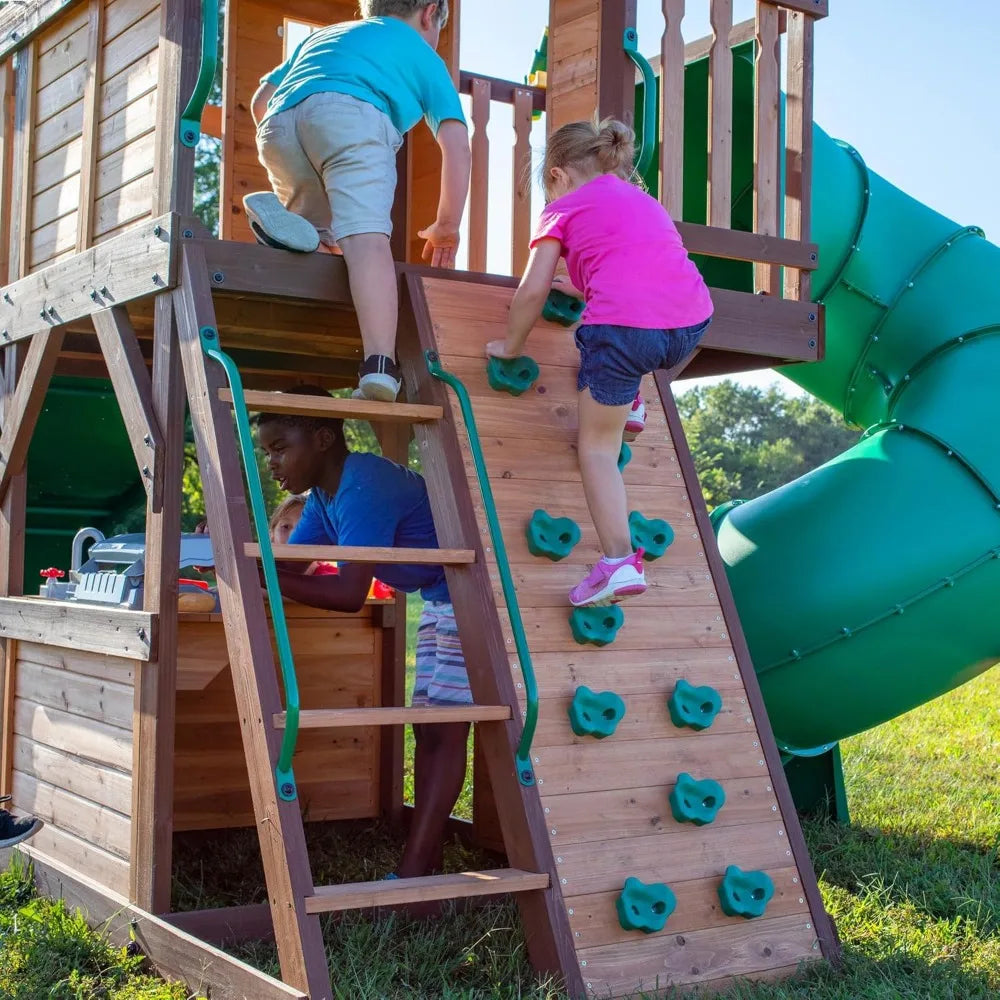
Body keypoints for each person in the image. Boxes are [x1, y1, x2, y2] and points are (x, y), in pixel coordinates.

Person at [486, 117, 714, 608]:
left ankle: (616, 561)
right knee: (633, 348)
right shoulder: (644, 202)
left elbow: (532, 291)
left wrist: (511, 346)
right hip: (692, 322)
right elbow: (644, 269)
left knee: (596, 448)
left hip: (624, 334)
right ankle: (629, 401)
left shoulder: (562, 208)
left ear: (558, 176)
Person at [255, 386, 470, 878]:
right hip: (442, 598)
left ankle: (415, 874)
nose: (272, 462)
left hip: (473, 596)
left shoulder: (362, 482)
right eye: (268, 452)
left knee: (447, 727)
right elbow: (297, 566)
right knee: (430, 726)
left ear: (323, 439)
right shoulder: (325, 499)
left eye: (281, 447)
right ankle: (428, 856)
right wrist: (253, 571)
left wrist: (260, 578)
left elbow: (350, 591)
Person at [246, 0, 471, 403]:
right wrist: (447, 225)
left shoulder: (326, 36)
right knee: (367, 240)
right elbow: (455, 143)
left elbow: (262, 100)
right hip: (351, 117)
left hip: (279, 125)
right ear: (429, 12)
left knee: (324, 237)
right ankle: (380, 367)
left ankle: (294, 232)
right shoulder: (421, 51)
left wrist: (288, 145)